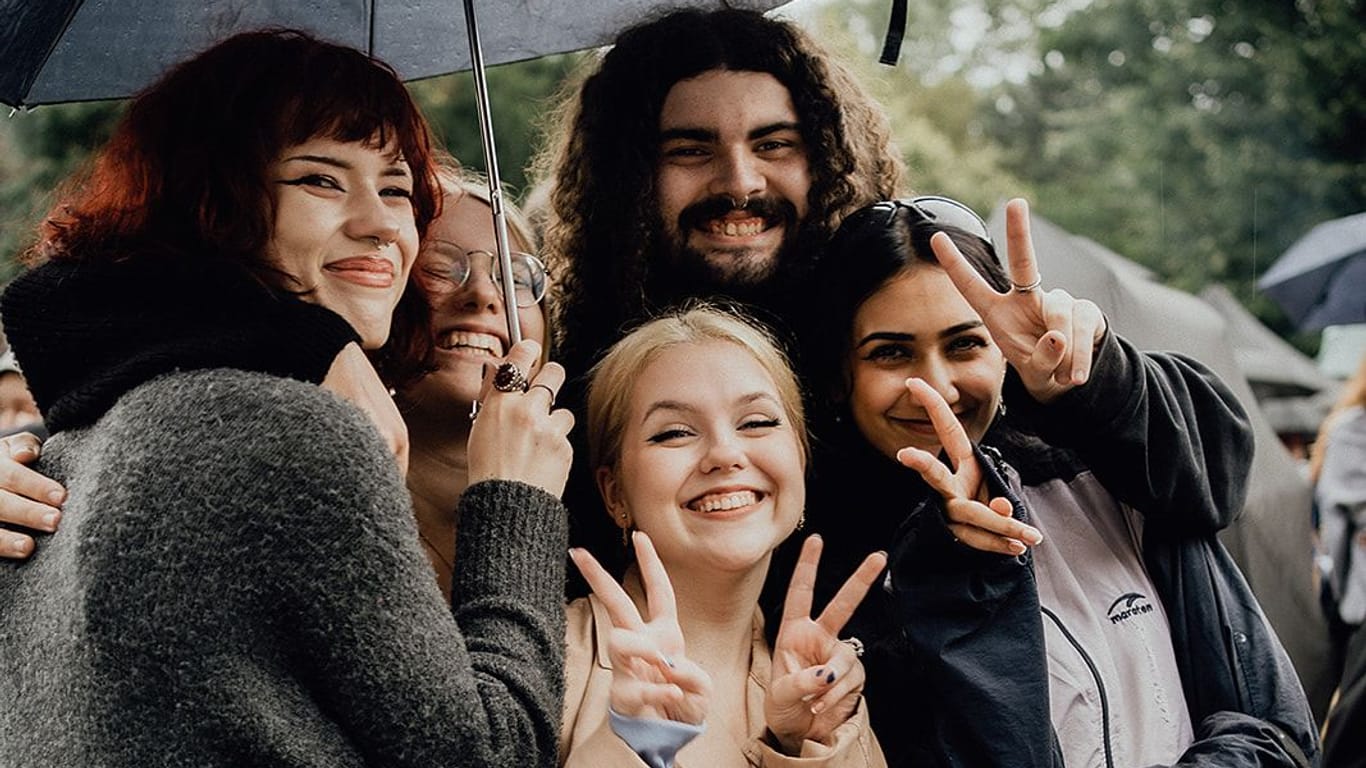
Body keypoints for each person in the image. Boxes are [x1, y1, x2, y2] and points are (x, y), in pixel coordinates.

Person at [0, 29, 574, 767]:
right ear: (214, 201)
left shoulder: (95, 428)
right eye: (320, 180)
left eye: (395, 188)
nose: (379, 224)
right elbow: (488, 753)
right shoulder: (293, 430)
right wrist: (515, 499)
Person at [798, 197, 1319, 766]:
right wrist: (951, 564)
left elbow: (1273, 728)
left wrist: (1096, 375)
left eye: (965, 344)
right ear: (836, 375)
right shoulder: (823, 565)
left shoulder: (1103, 476)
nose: (938, 388)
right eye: (892, 353)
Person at [533, 6, 903, 578]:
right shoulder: (568, 407)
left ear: (829, 160)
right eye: (690, 150)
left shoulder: (892, 354)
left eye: (774, 144)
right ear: (627, 178)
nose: (739, 182)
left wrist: (1085, 380)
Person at [560, 305, 888, 768]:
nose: (725, 454)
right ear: (615, 494)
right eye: (674, 433)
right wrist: (632, 745)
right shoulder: (551, 661)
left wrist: (801, 749)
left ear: (801, 457)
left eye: (757, 422)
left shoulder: (825, 698)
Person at [400, 161, 554, 600]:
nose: (484, 295)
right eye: (439, 267)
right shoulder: (336, 512)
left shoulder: (595, 524)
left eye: (514, 278)